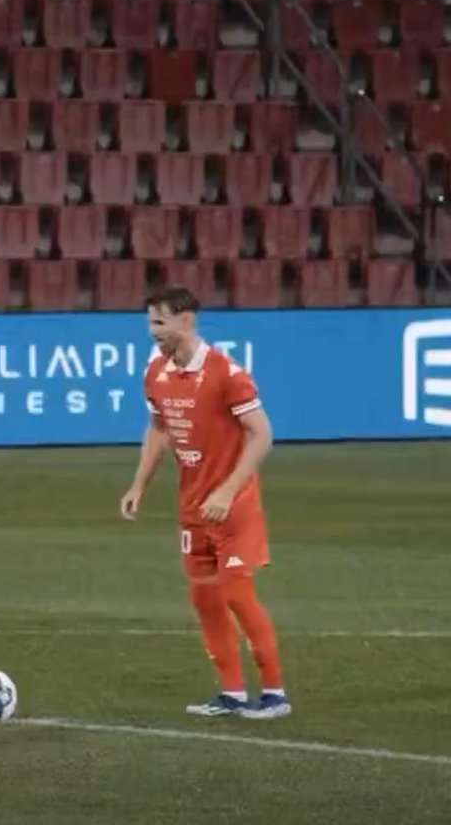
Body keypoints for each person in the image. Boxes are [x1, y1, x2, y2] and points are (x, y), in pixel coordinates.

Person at [119, 286, 291, 719]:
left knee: (237, 594)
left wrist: (228, 491)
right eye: (150, 323)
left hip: (234, 506)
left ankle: (275, 694)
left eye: (160, 322)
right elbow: (159, 428)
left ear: (187, 320)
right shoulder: (155, 372)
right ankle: (232, 694)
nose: (153, 332)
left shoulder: (226, 373)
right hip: (193, 507)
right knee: (205, 600)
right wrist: (139, 485)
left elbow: (262, 434)